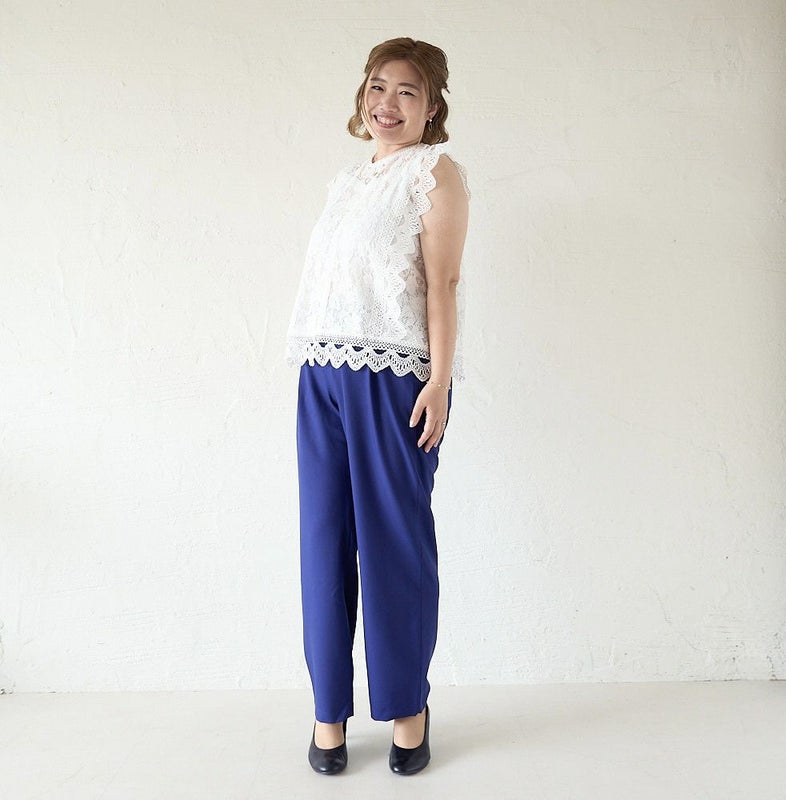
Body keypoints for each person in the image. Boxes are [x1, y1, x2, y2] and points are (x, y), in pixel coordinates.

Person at [285, 36, 470, 776]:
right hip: (321, 371)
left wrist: (440, 381)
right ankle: (327, 711)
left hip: (393, 378)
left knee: (394, 546)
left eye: (407, 91)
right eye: (377, 87)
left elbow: (443, 283)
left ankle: (406, 709)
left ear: (432, 107)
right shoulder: (348, 180)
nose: (387, 104)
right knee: (322, 542)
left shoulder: (434, 173)